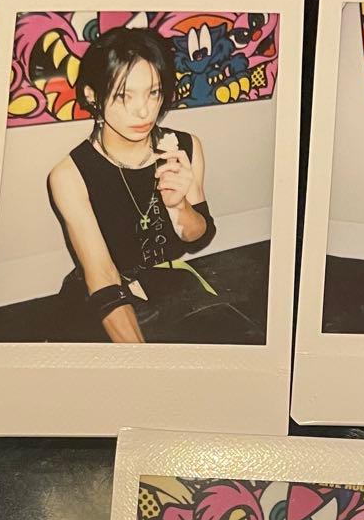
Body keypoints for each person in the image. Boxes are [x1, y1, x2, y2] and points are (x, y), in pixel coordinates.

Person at [46, 26, 259, 344]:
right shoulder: (69, 175)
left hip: (169, 282)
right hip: (104, 298)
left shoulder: (185, 147)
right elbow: (102, 276)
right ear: (92, 95)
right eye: (124, 96)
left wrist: (179, 206)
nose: (144, 110)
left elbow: (199, 237)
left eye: (154, 93)